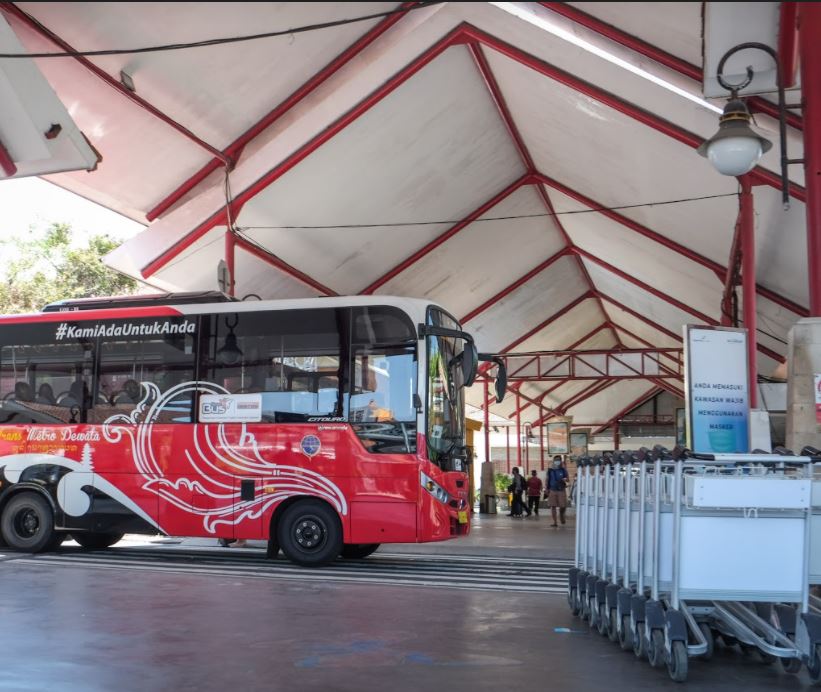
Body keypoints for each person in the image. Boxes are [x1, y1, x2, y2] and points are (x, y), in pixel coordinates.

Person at [546, 455, 569, 527]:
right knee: (553, 506)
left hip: (561, 490)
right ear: (553, 461)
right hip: (552, 490)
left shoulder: (563, 470)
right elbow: (547, 479)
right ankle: (555, 522)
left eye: (558, 460)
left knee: (563, 506)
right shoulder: (550, 470)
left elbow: (567, 479)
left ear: (560, 461)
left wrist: (565, 480)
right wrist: (546, 488)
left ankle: (561, 515)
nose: (557, 461)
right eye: (556, 460)